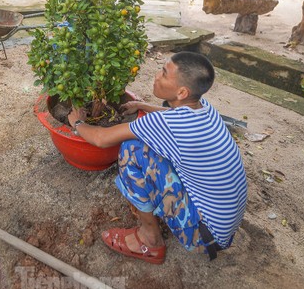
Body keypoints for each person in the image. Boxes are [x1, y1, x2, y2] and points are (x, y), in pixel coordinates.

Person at [68, 52, 247, 265]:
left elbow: (101, 138)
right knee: (152, 150)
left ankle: (149, 240)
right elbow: (168, 114)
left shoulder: (169, 126)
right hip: (224, 226)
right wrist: (142, 106)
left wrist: (78, 124)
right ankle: (166, 218)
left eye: (163, 73)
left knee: (132, 149)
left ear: (182, 92)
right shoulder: (204, 108)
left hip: (203, 235)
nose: (155, 76)